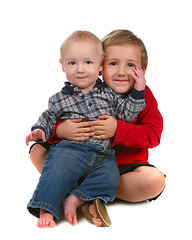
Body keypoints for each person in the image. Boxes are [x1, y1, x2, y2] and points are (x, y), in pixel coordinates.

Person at [26, 30, 146, 228]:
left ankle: (74, 199)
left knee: (111, 176)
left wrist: (139, 91)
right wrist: (40, 130)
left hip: (103, 155)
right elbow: (47, 118)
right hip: (70, 151)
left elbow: (127, 114)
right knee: (56, 169)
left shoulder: (110, 94)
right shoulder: (59, 99)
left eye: (88, 63)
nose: (80, 69)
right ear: (62, 65)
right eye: (72, 63)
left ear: (100, 66)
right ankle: (46, 208)